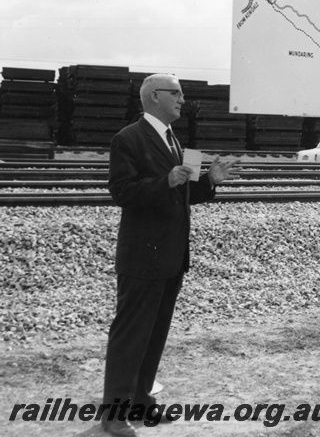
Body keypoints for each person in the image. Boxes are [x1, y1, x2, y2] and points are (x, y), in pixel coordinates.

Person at [101, 74, 238, 436]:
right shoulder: (128, 138)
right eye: (176, 93)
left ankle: (143, 403)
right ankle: (114, 414)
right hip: (142, 257)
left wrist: (209, 181)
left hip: (172, 257)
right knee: (131, 334)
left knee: (154, 334)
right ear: (154, 97)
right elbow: (121, 192)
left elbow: (187, 195)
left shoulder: (177, 141)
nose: (182, 99)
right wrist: (166, 181)